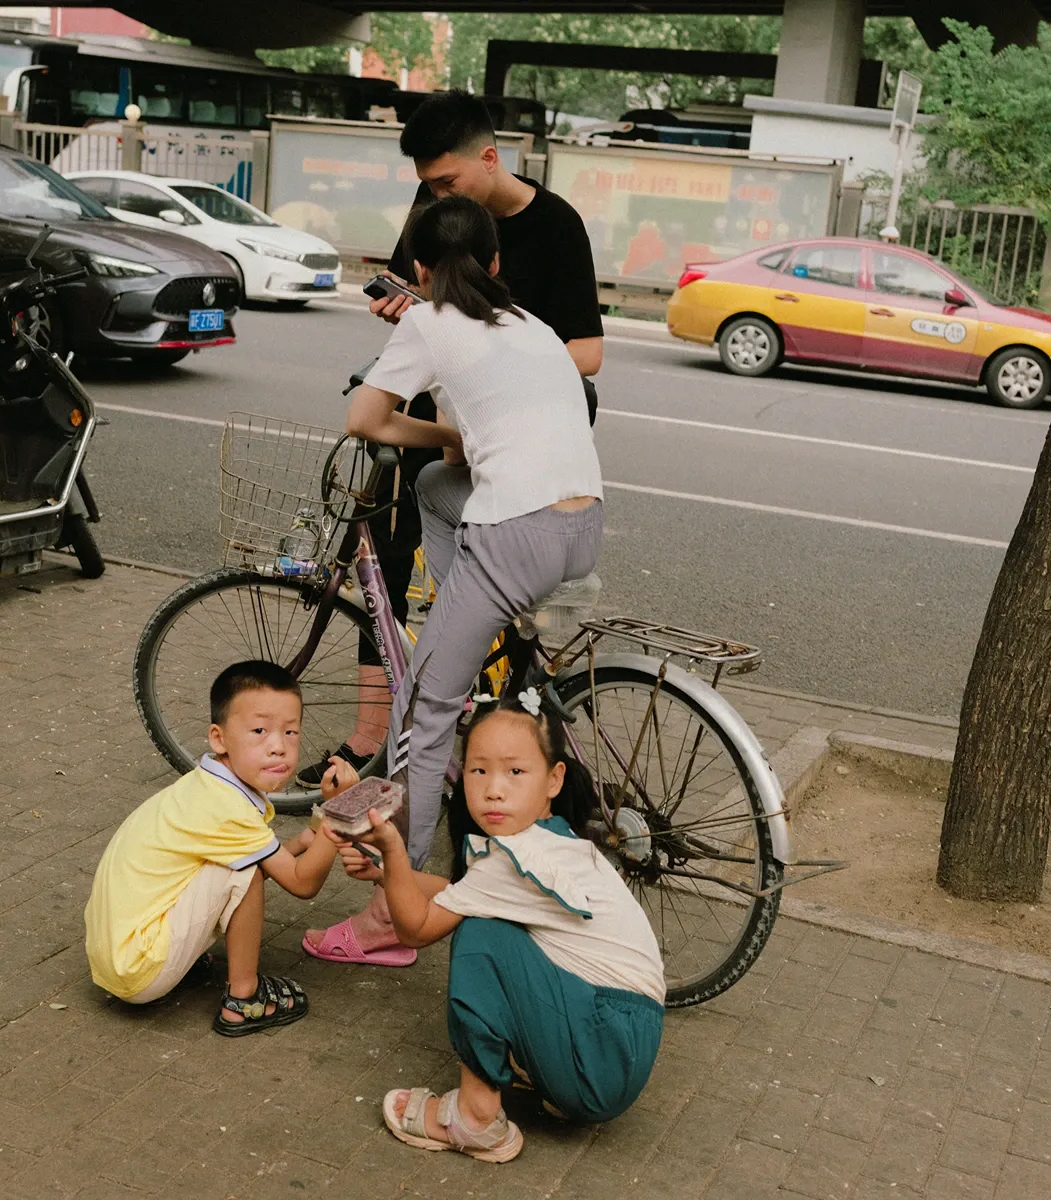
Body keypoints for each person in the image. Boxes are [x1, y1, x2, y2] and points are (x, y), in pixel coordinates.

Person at [303, 194, 603, 967]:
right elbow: (463, 460)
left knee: (423, 708)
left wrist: (440, 431)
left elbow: (364, 420)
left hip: (518, 536)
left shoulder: (427, 320)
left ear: (422, 271)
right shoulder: (529, 324)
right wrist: (457, 443)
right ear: (497, 263)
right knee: (438, 486)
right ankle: (466, 614)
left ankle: (388, 917)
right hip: (581, 529)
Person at [296, 90, 603, 791]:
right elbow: (422, 297)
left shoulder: (556, 226)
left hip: (509, 452)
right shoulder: (434, 216)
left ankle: (505, 744)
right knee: (388, 563)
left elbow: (586, 353)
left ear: (489, 158)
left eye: (445, 183)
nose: (433, 198)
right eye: (426, 187)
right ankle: (371, 743)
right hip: (430, 426)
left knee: (495, 603)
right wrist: (408, 312)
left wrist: (480, 331)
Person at [325, 695, 665, 1161]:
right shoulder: (550, 838)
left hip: (603, 1051)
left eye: (515, 772)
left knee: (480, 936)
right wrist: (389, 871)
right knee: (482, 919)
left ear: (554, 779)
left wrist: (393, 848)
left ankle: (476, 1118)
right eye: (478, 770)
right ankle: (548, 1070)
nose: (493, 789)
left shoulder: (509, 861)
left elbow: (416, 929)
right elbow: (460, 891)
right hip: (620, 1044)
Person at [84, 660, 356, 1033]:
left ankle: (186, 958)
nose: (278, 747)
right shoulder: (227, 809)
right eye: (259, 730)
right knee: (242, 871)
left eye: (291, 732)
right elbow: (302, 884)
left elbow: (271, 859)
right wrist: (337, 814)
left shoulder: (210, 786)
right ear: (219, 738)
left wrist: (308, 838)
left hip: (117, 955)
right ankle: (244, 999)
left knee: (244, 863)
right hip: (138, 967)